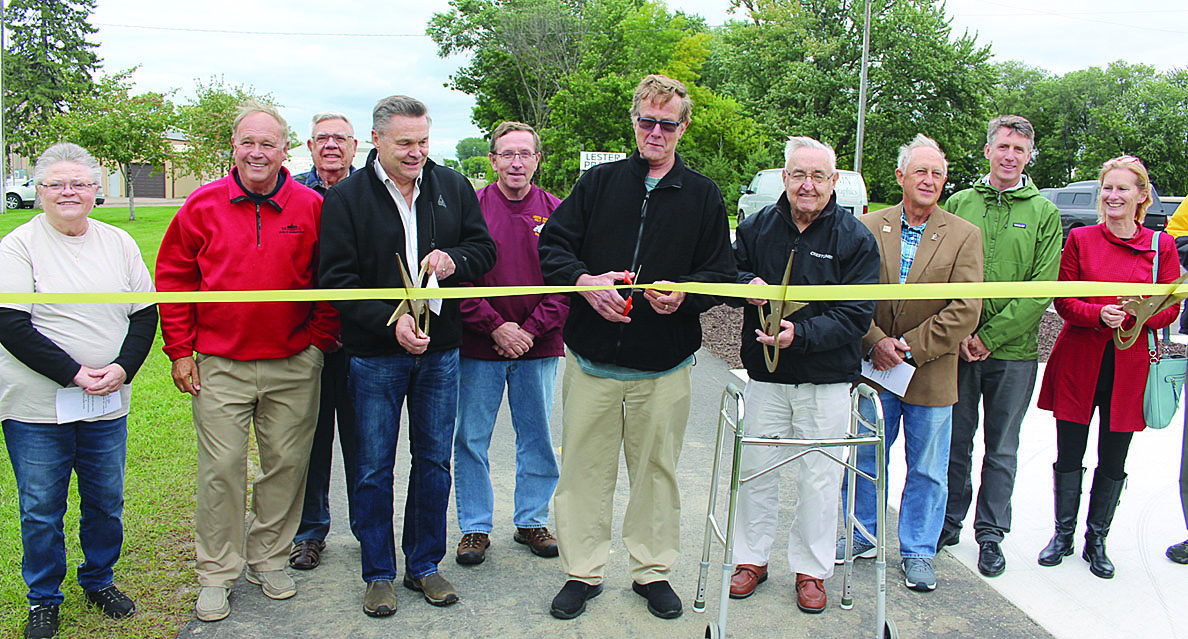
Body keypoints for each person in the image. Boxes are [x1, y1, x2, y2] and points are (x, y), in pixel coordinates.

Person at [538, 74, 735, 621]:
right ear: (634, 121)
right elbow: (553, 246)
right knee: (583, 472)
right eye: (647, 121)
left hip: (663, 367)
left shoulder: (702, 195)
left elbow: (720, 273)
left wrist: (686, 295)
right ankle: (582, 572)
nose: (655, 132)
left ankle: (652, 571)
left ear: (683, 127)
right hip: (592, 363)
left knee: (657, 474)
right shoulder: (598, 184)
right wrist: (583, 282)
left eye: (667, 124)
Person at [156, 100, 339, 622]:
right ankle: (216, 573)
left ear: (285, 150)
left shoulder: (310, 206)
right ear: (233, 148)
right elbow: (174, 277)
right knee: (221, 470)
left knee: (286, 466)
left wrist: (318, 341)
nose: (257, 152)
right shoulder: (202, 204)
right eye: (248, 142)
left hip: (293, 362)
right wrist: (180, 350)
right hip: (220, 363)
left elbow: (331, 277)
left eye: (268, 143)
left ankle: (269, 559)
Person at [319, 95, 495, 617]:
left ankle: (424, 564)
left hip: (440, 353)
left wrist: (455, 259)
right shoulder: (346, 198)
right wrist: (389, 321)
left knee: (434, 461)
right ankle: (378, 573)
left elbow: (484, 251)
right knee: (373, 466)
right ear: (376, 140)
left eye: (423, 141)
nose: (417, 152)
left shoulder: (453, 187)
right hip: (375, 355)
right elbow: (336, 281)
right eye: (405, 143)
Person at [0, 143, 156, 639]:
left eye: (80, 183)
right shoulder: (18, 246)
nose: (68, 192)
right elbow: (10, 324)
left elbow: (145, 313)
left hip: (106, 401)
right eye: (56, 184)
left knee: (105, 501)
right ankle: (44, 598)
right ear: (40, 190)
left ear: (96, 190)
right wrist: (74, 373)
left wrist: (123, 368)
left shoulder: (119, 243)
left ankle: (99, 580)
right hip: (36, 408)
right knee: (41, 509)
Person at [727, 136, 878, 613]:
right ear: (784, 178)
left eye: (817, 176)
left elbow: (856, 315)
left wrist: (803, 335)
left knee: (820, 477)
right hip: (766, 378)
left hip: (826, 380)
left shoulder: (855, 239)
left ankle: (812, 570)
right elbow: (726, 276)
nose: (807, 185)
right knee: (756, 469)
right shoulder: (755, 228)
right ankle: (751, 560)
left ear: (834, 181)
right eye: (798, 174)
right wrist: (743, 285)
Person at [838, 134, 982, 593]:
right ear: (900, 176)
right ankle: (860, 536)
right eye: (921, 171)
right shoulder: (866, 226)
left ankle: (918, 550)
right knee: (866, 457)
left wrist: (909, 347)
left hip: (931, 373)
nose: (929, 180)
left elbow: (966, 309)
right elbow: (848, 294)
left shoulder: (964, 235)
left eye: (938, 173)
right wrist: (876, 342)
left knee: (928, 469)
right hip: (875, 372)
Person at [1036, 155, 1179, 579]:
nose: (1113, 195)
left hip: (1129, 365)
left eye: (1122, 188)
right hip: (1080, 360)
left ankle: (1096, 539)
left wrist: (1138, 316)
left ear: (1141, 195)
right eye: (1108, 188)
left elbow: (1171, 307)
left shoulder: (1161, 246)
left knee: (1114, 457)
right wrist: (1098, 314)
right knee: (1069, 452)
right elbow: (1064, 299)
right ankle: (1063, 534)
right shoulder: (1081, 239)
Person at [939, 115, 1061, 577]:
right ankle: (948, 521)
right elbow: (941, 273)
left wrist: (990, 337)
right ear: (988, 150)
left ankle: (990, 534)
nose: (1010, 156)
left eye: (1019, 149)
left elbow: (1041, 288)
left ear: (1029, 156)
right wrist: (960, 333)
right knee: (955, 441)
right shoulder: (960, 202)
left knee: (1002, 448)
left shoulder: (1043, 213)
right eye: (1003, 146)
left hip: (1013, 354)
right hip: (957, 348)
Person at [454, 121, 568, 565]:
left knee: (536, 437)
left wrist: (531, 330)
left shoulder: (558, 212)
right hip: (479, 346)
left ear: (538, 159)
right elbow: (457, 280)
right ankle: (475, 527)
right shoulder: (471, 209)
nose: (516, 162)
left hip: (538, 347)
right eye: (507, 154)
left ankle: (532, 520)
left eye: (525, 154)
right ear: (493, 160)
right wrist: (494, 326)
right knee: (471, 438)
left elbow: (568, 282)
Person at [289, 112, 360, 571]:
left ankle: (369, 530)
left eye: (340, 138)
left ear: (355, 146)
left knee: (364, 443)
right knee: (309, 442)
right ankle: (309, 532)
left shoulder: (372, 191)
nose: (331, 145)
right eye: (322, 138)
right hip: (305, 344)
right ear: (310, 146)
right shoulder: (292, 193)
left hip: (360, 342)